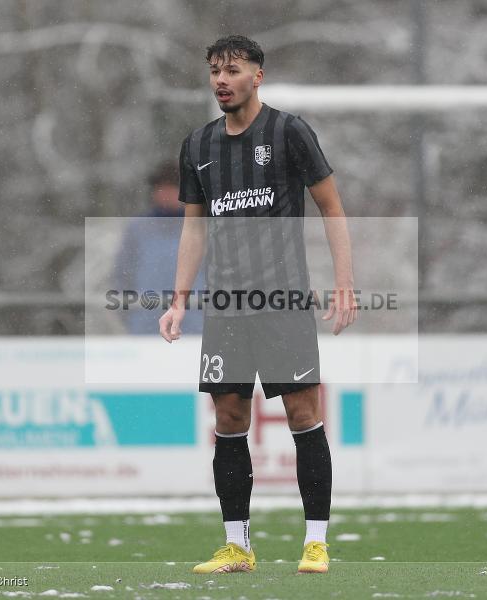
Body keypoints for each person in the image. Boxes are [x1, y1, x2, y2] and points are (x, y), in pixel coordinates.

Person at [159, 35, 357, 574]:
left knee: (302, 413)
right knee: (228, 416)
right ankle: (237, 547)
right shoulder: (197, 146)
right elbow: (194, 230)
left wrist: (344, 282)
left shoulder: (289, 132)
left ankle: (315, 542)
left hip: (283, 300)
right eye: (215, 71)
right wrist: (178, 300)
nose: (221, 80)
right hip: (225, 305)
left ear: (257, 76)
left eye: (233, 69)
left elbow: (332, 208)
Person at [112, 161, 203, 335]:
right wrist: (126, 311)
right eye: (161, 188)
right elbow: (122, 274)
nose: (167, 194)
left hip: (194, 326)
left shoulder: (200, 227)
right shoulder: (137, 229)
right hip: (145, 326)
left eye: (173, 188)